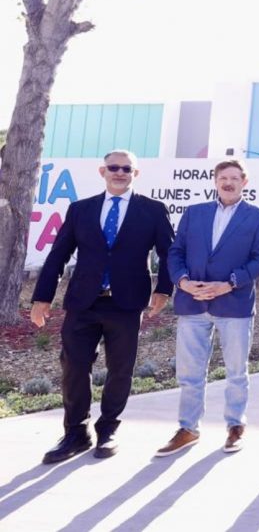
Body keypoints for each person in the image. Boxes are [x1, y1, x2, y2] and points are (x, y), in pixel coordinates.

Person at [32, 150, 174, 464]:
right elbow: (58, 255)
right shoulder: (80, 209)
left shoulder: (152, 210)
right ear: (103, 171)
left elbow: (169, 253)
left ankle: (108, 429)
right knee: (74, 366)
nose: (120, 172)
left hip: (126, 304)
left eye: (127, 168)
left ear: (135, 173)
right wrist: (42, 298)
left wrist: (164, 290)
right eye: (114, 167)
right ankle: (75, 432)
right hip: (83, 302)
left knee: (120, 369)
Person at [158, 159, 259, 456]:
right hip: (192, 302)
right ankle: (188, 428)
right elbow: (176, 252)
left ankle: (235, 426)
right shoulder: (194, 213)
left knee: (236, 371)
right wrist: (183, 282)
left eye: (235, 178)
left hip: (233, 304)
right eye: (223, 177)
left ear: (244, 182)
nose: (228, 182)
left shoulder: (258, 217)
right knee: (190, 372)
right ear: (215, 181)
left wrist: (230, 283)